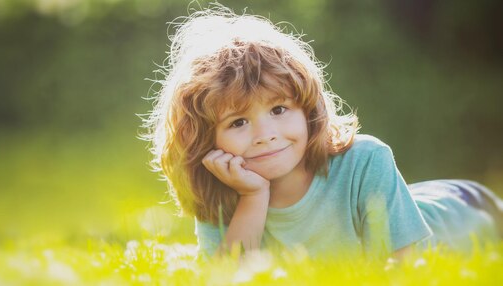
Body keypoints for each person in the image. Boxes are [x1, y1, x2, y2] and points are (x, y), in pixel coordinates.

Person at [142, 4, 503, 260]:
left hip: (470, 209)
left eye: (279, 109)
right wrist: (253, 199)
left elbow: (411, 268)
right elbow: (224, 277)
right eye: (238, 122)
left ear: (308, 110)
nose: (265, 134)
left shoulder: (366, 159)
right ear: (206, 140)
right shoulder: (220, 194)